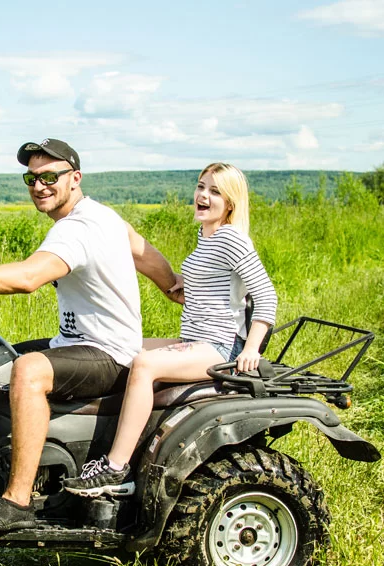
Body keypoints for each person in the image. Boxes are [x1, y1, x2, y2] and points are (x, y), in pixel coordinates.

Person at [0, 138, 179, 531]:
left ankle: (16, 501)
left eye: (50, 176)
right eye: (32, 178)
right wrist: (175, 288)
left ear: (75, 178)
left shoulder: (76, 229)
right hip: (86, 344)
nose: (39, 186)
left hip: (106, 353)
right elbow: (146, 254)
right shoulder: (104, 216)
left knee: (28, 371)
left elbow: (26, 278)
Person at [63, 162, 277, 497]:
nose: (203, 195)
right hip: (196, 338)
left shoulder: (231, 238)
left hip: (220, 345)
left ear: (231, 203)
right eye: (201, 186)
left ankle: (116, 469)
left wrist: (251, 349)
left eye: (215, 191)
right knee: (124, 346)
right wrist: (183, 284)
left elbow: (266, 295)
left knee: (145, 365)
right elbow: (215, 286)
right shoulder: (206, 234)